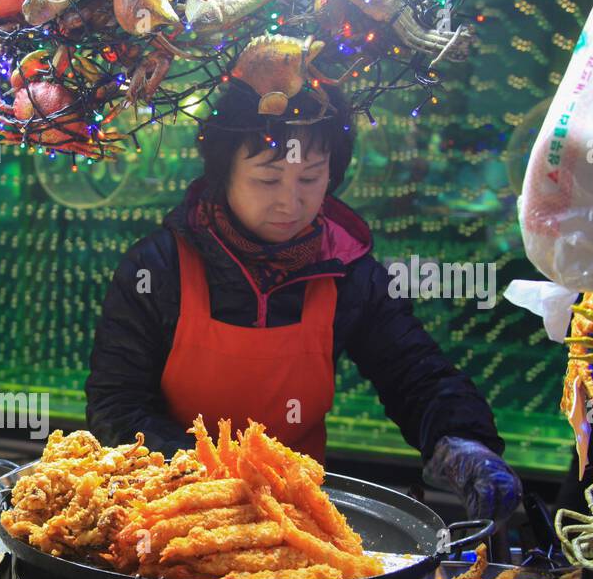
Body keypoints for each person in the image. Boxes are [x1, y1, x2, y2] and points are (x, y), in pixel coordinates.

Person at [85, 68, 522, 522]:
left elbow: (414, 373)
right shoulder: (158, 269)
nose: (289, 203)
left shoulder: (347, 271)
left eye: (310, 179)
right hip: (167, 513)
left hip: (297, 520)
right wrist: (214, 486)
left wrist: (463, 442)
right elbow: (117, 407)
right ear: (223, 173)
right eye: (267, 180)